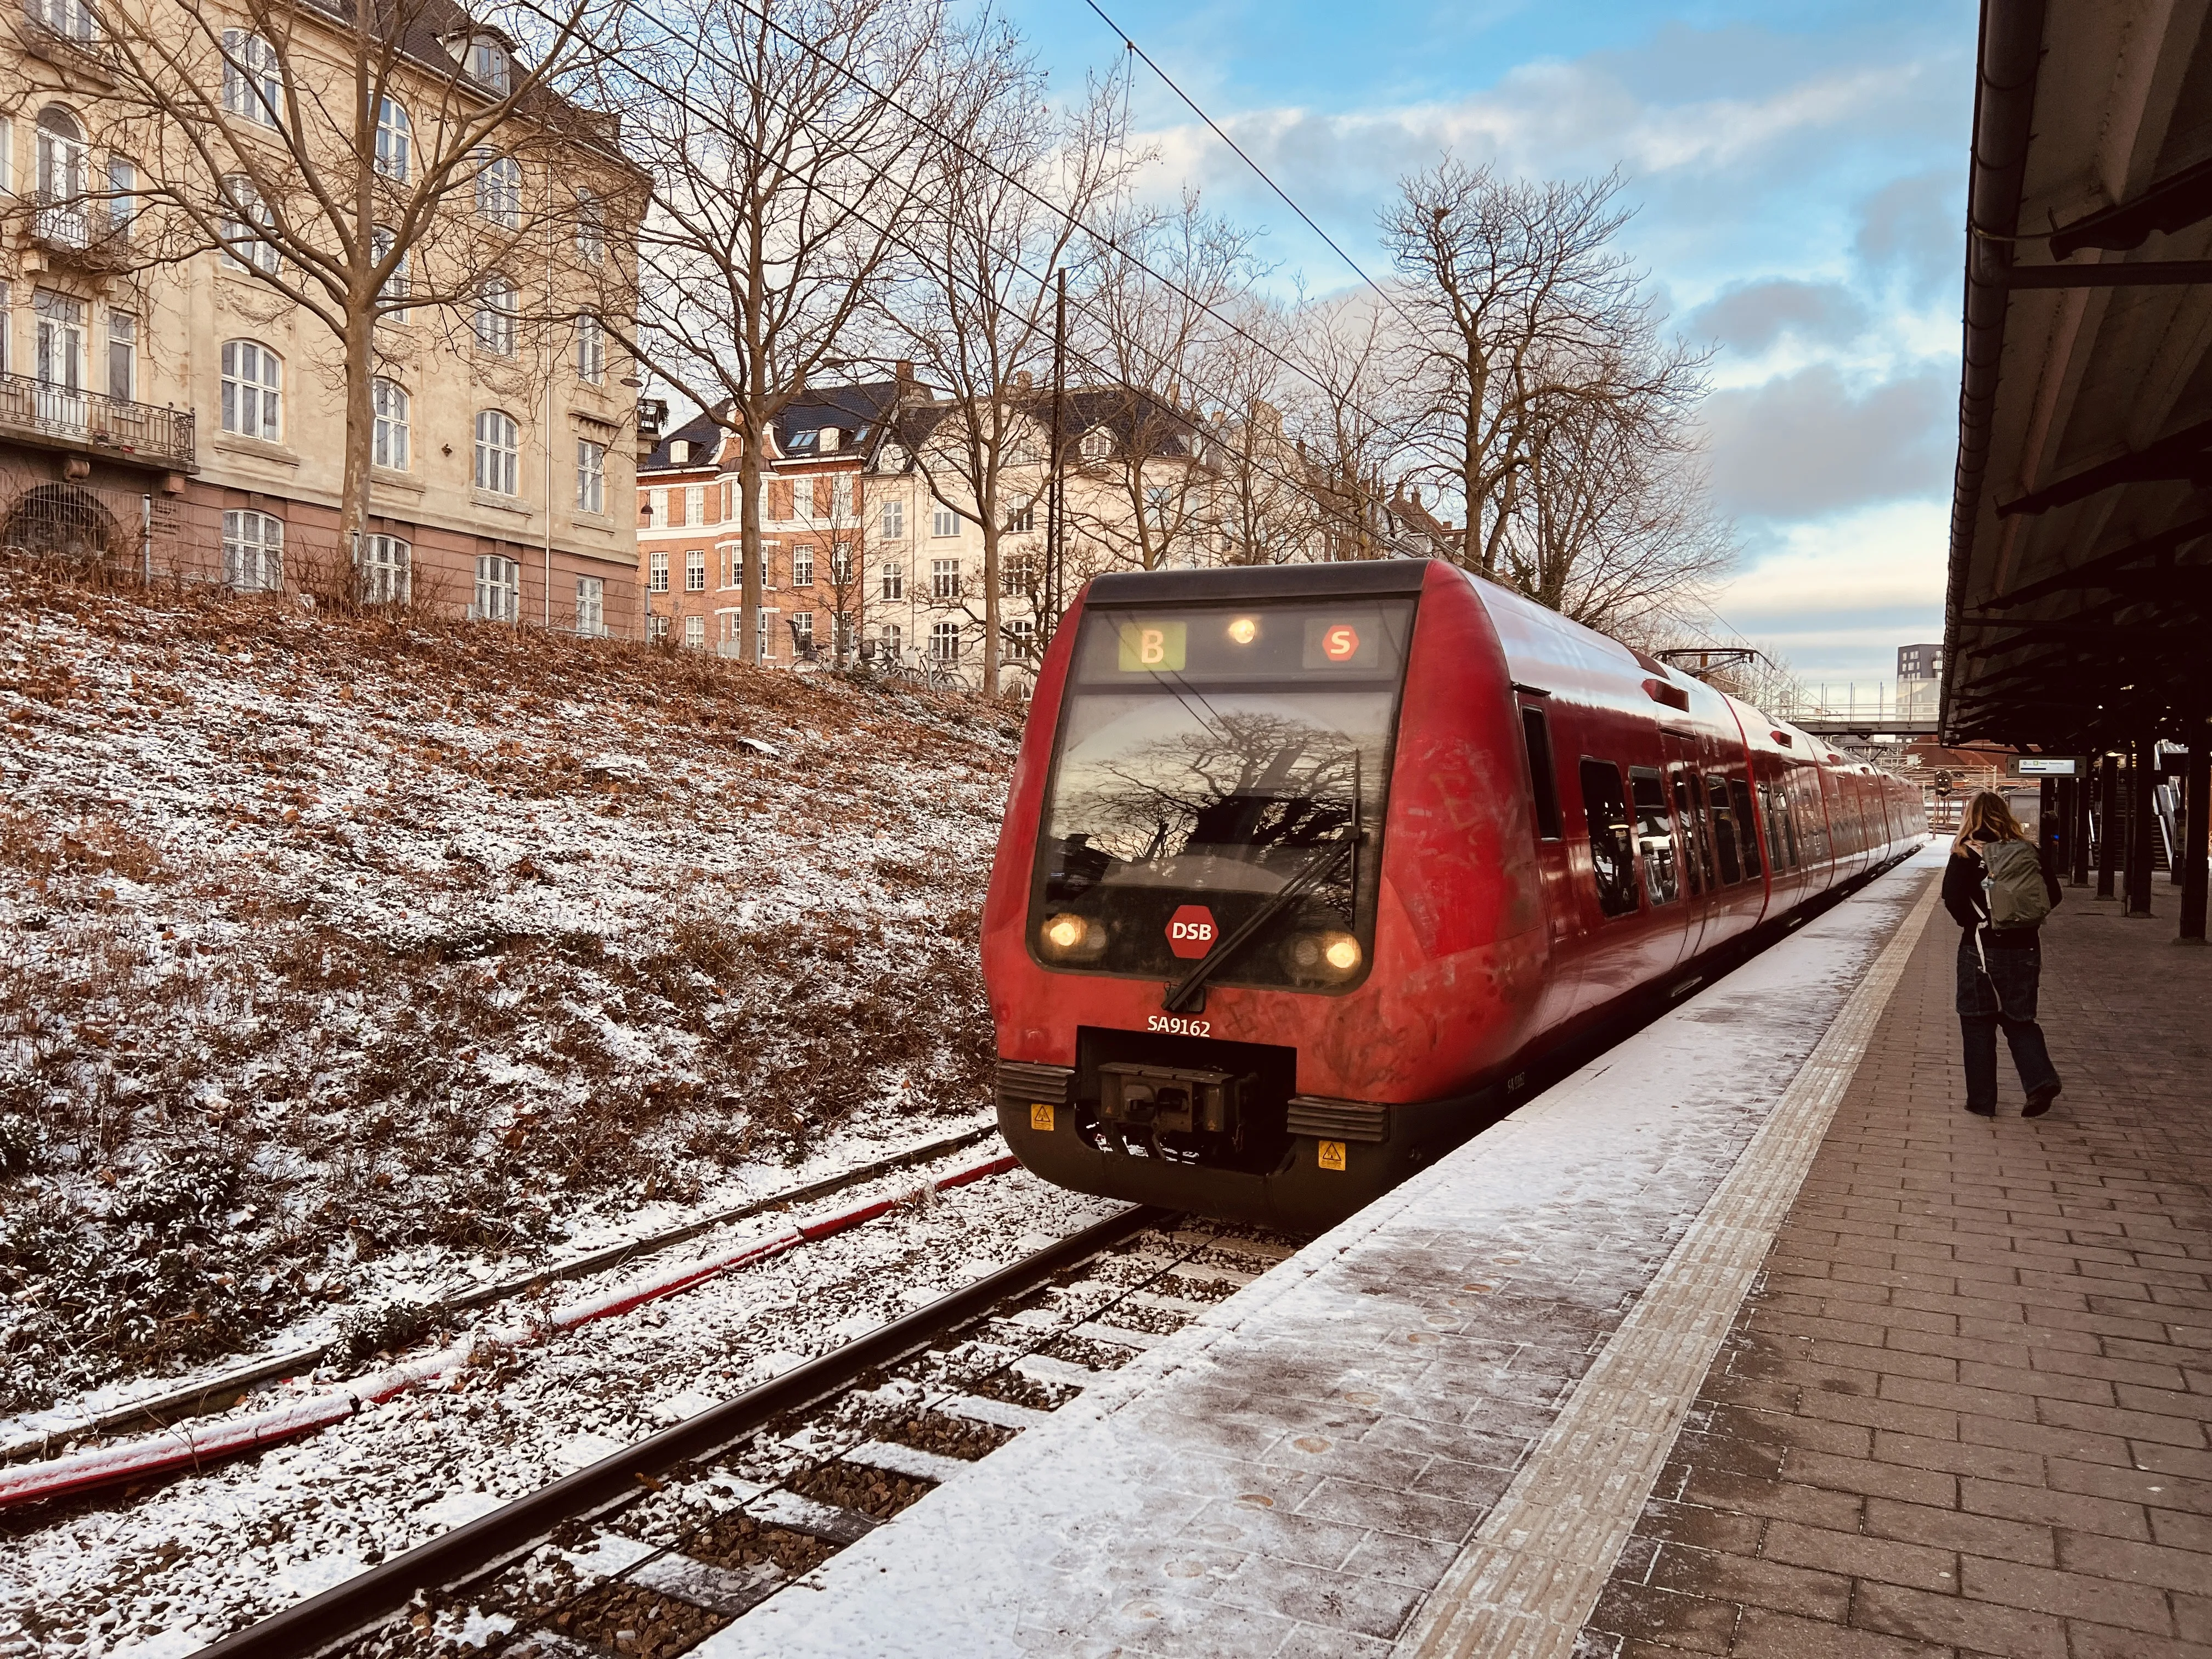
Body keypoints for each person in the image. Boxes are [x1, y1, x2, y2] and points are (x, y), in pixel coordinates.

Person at [1942, 791, 2063, 1118]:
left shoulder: (1966, 852)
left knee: (1977, 1024)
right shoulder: (2029, 850)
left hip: (1981, 949)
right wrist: (2024, 922)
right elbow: (2054, 894)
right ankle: (2040, 1082)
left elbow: (1952, 897)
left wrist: (1978, 924)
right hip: (2025, 948)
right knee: (2020, 1020)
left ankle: (1982, 1102)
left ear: (1972, 816)